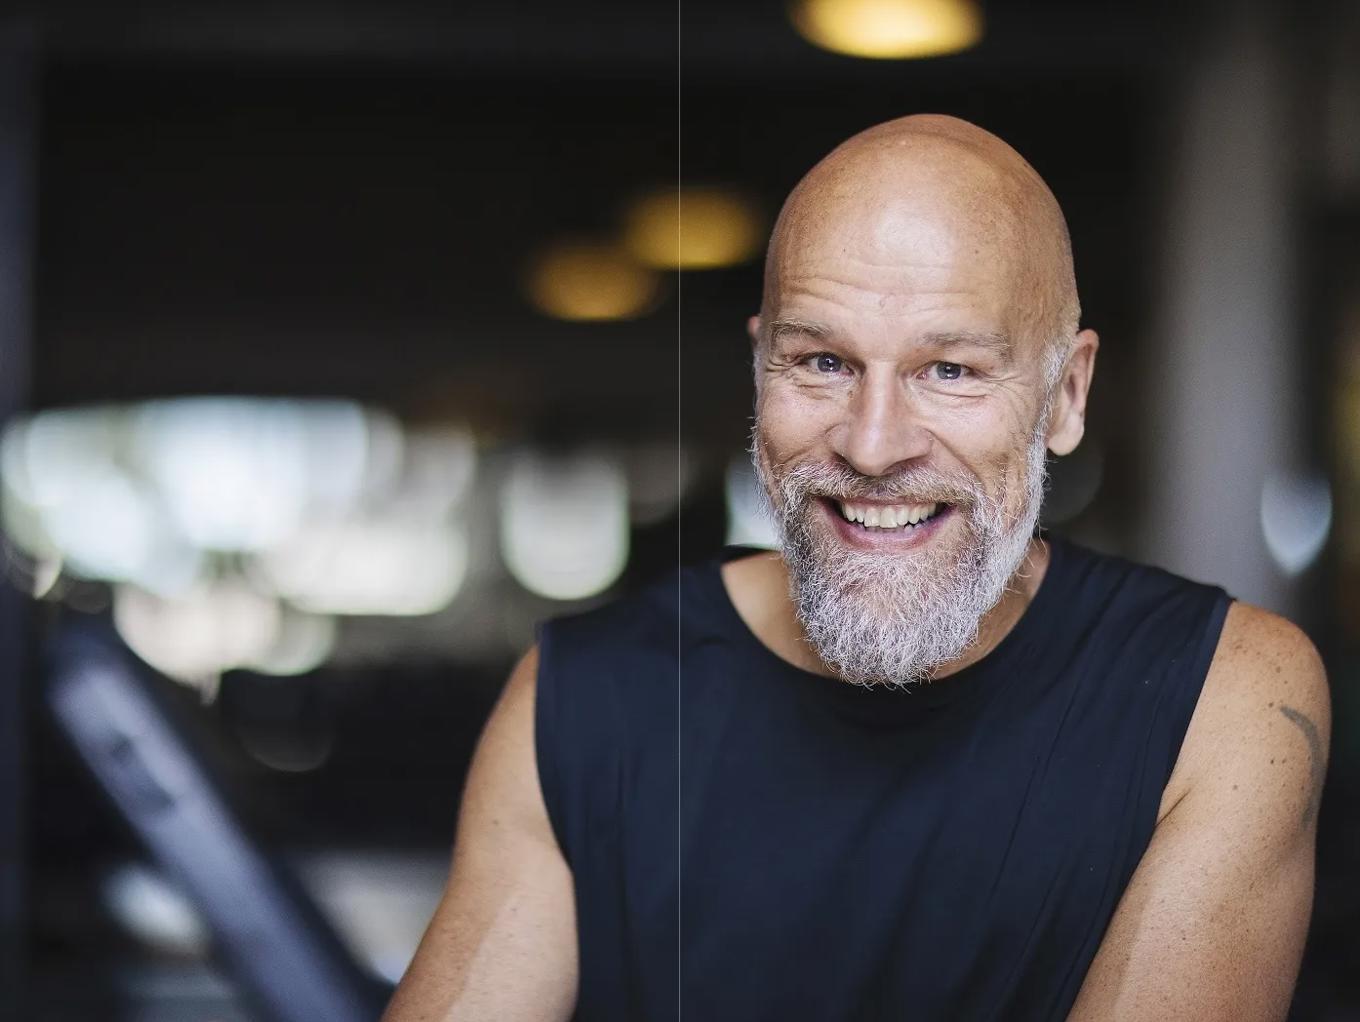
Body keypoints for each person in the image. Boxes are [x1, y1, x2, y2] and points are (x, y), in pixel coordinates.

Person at [383, 114, 1329, 1021]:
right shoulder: (584, 702)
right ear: (763, 373)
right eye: (824, 362)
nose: (874, 447)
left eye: (950, 369)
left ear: (1065, 396)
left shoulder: (1222, 697)